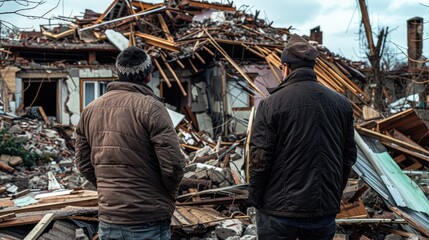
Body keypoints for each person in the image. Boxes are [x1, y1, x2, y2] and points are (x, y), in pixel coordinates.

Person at [248, 34, 357, 239]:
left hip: (278, 212)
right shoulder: (342, 104)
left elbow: (259, 159)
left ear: (286, 67)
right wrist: (333, 194)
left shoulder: (271, 104)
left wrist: (255, 198)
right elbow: (349, 156)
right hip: (322, 211)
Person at [75, 46, 185, 240]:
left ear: (118, 74)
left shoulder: (90, 110)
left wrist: (108, 189)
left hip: (110, 220)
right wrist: (166, 195)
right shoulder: (152, 108)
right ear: (148, 76)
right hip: (147, 219)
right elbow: (173, 165)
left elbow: (83, 163)